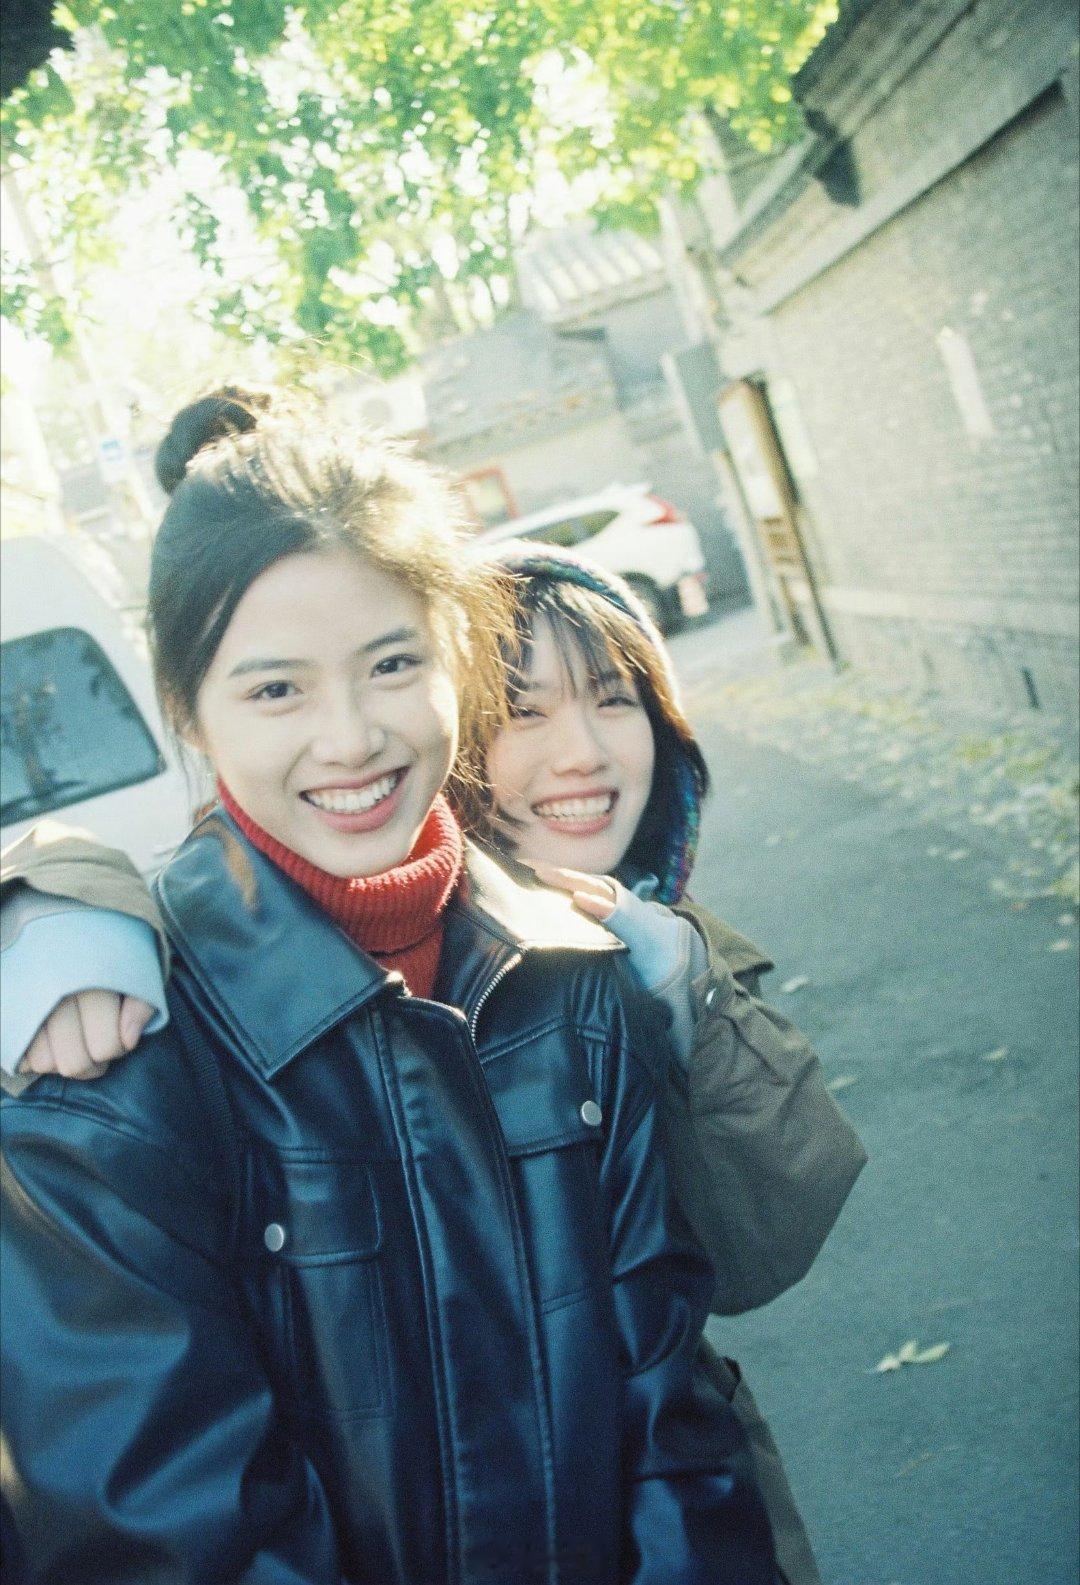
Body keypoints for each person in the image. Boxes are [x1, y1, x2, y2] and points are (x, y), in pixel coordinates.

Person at [0, 395, 780, 1584]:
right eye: (277, 691)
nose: (352, 737)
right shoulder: (107, 1061)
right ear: (190, 711)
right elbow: (166, 1530)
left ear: (456, 656)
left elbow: (667, 1422)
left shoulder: (576, 977)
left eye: (392, 664)